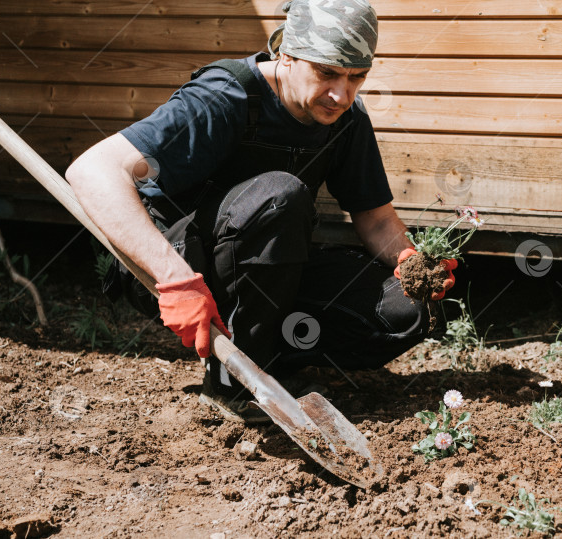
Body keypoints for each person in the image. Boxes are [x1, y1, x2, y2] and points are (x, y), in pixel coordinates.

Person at [65, 0, 455, 423]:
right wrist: (175, 280)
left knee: (407, 307)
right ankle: (232, 383)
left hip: (266, 270)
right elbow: (91, 170)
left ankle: (268, 357)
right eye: (326, 72)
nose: (341, 94)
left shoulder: (345, 118)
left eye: (356, 77)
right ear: (286, 55)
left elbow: (376, 218)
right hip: (173, 265)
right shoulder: (225, 96)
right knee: (280, 195)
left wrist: (413, 263)